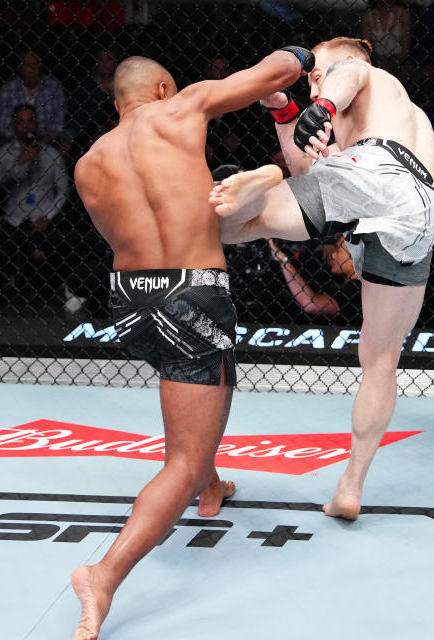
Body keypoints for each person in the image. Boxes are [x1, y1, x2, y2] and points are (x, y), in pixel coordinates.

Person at [70, 48, 310, 639]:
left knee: (192, 397)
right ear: (162, 89)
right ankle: (102, 576)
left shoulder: (87, 163)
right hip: (191, 296)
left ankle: (213, 486)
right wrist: (308, 55)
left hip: (127, 302)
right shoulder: (181, 107)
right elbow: (274, 75)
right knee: (186, 454)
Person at [209, 37, 434, 521]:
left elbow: (349, 74)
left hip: (373, 169)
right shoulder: (399, 114)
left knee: (231, 226)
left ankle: (258, 183)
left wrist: (326, 99)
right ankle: (350, 488)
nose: (313, 74)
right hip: (417, 208)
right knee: (380, 359)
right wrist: (285, 110)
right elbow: (311, 169)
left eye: (318, 66)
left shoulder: (360, 74)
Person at [0, 104, 69, 307]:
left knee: (37, 247)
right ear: (14, 125)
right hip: (13, 217)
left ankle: (34, 291)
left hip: (41, 216)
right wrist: (20, 162)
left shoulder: (52, 155)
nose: (26, 126)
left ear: (36, 123)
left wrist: (48, 215)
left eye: (30, 120)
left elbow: (63, 191)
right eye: (21, 122)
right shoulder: (3, 154)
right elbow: (1, 179)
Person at [0, 48, 69, 153]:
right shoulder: (8, 89)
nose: (32, 69)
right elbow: (3, 127)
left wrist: (40, 143)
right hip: (15, 144)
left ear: (42, 66)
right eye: (27, 65)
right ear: (19, 67)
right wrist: (23, 142)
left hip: (47, 143)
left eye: (36, 64)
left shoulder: (54, 87)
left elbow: (59, 125)